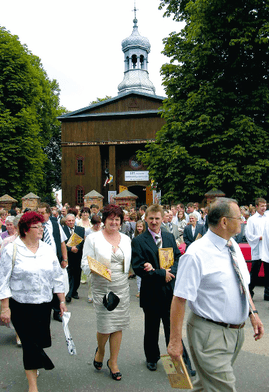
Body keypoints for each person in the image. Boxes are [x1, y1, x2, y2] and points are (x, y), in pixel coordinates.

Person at [168, 197, 264, 392]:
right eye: (239, 217)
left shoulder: (232, 245)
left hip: (235, 333)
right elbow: (179, 299)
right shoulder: (196, 254)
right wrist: (175, 342)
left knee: (206, 386)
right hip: (209, 335)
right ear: (224, 222)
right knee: (224, 387)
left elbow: (242, 284)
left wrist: (253, 314)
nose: (243, 220)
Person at [0, 211, 67, 392]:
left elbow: (57, 276)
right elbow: (3, 280)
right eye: (36, 226)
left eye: (41, 226)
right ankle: (33, 387)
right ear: (25, 229)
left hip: (43, 303)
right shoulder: (11, 249)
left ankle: (35, 362)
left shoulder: (46, 249)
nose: (41, 229)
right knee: (30, 344)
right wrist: (5, 308)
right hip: (20, 304)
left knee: (39, 341)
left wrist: (61, 300)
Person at [131, 204, 195, 375]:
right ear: (146, 219)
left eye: (157, 218)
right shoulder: (138, 241)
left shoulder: (168, 237)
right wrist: (160, 273)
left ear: (162, 219)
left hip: (169, 291)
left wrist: (170, 273)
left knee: (172, 328)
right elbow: (138, 266)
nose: (154, 222)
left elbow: (177, 258)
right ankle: (152, 358)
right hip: (151, 292)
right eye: (151, 218)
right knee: (151, 328)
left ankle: (180, 361)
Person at [81, 204, 131, 381]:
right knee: (105, 326)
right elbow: (85, 263)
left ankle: (114, 362)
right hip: (102, 286)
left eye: (117, 219)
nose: (114, 222)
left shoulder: (126, 239)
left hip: (121, 287)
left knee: (118, 325)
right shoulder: (93, 239)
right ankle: (101, 350)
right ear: (104, 219)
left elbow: (129, 263)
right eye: (111, 218)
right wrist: (97, 270)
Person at [37, 203, 68, 322]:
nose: (40, 215)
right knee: (44, 285)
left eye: (42, 213)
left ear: (48, 213)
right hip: (41, 261)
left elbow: (62, 243)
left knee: (57, 285)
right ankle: (43, 310)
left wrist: (64, 258)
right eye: (38, 213)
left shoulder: (55, 224)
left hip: (55, 260)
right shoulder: (36, 226)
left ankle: (56, 311)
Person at [245, 198, 269, 300]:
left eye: (265, 206)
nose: (264, 208)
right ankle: (249, 292)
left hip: (267, 249)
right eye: (262, 206)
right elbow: (248, 234)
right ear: (257, 207)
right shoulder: (252, 219)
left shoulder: (268, 217)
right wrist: (259, 238)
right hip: (258, 249)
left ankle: (267, 293)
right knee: (254, 272)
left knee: (268, 273)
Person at [63, 214, 85, 303]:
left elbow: (82, 241)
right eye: (69, 221)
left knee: (77, 274)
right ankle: (68, 293)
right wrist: (70, 248)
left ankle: (74, 291)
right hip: (68, 255)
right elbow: (62, 243)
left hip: (77, 255)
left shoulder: (80, 229)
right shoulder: (63, 230)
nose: (71, 222)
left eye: (72, 220)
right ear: (66, 222)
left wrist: (77, 248)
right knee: (69, 274)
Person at [132, 220, 146, 298]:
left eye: (141, 226)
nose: (139, 228)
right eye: (138, 226)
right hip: (138, 258)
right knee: (138, 276)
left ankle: (144, 290)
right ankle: (139, 290)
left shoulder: (146, 236)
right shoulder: (134, 236)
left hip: (144, 257)